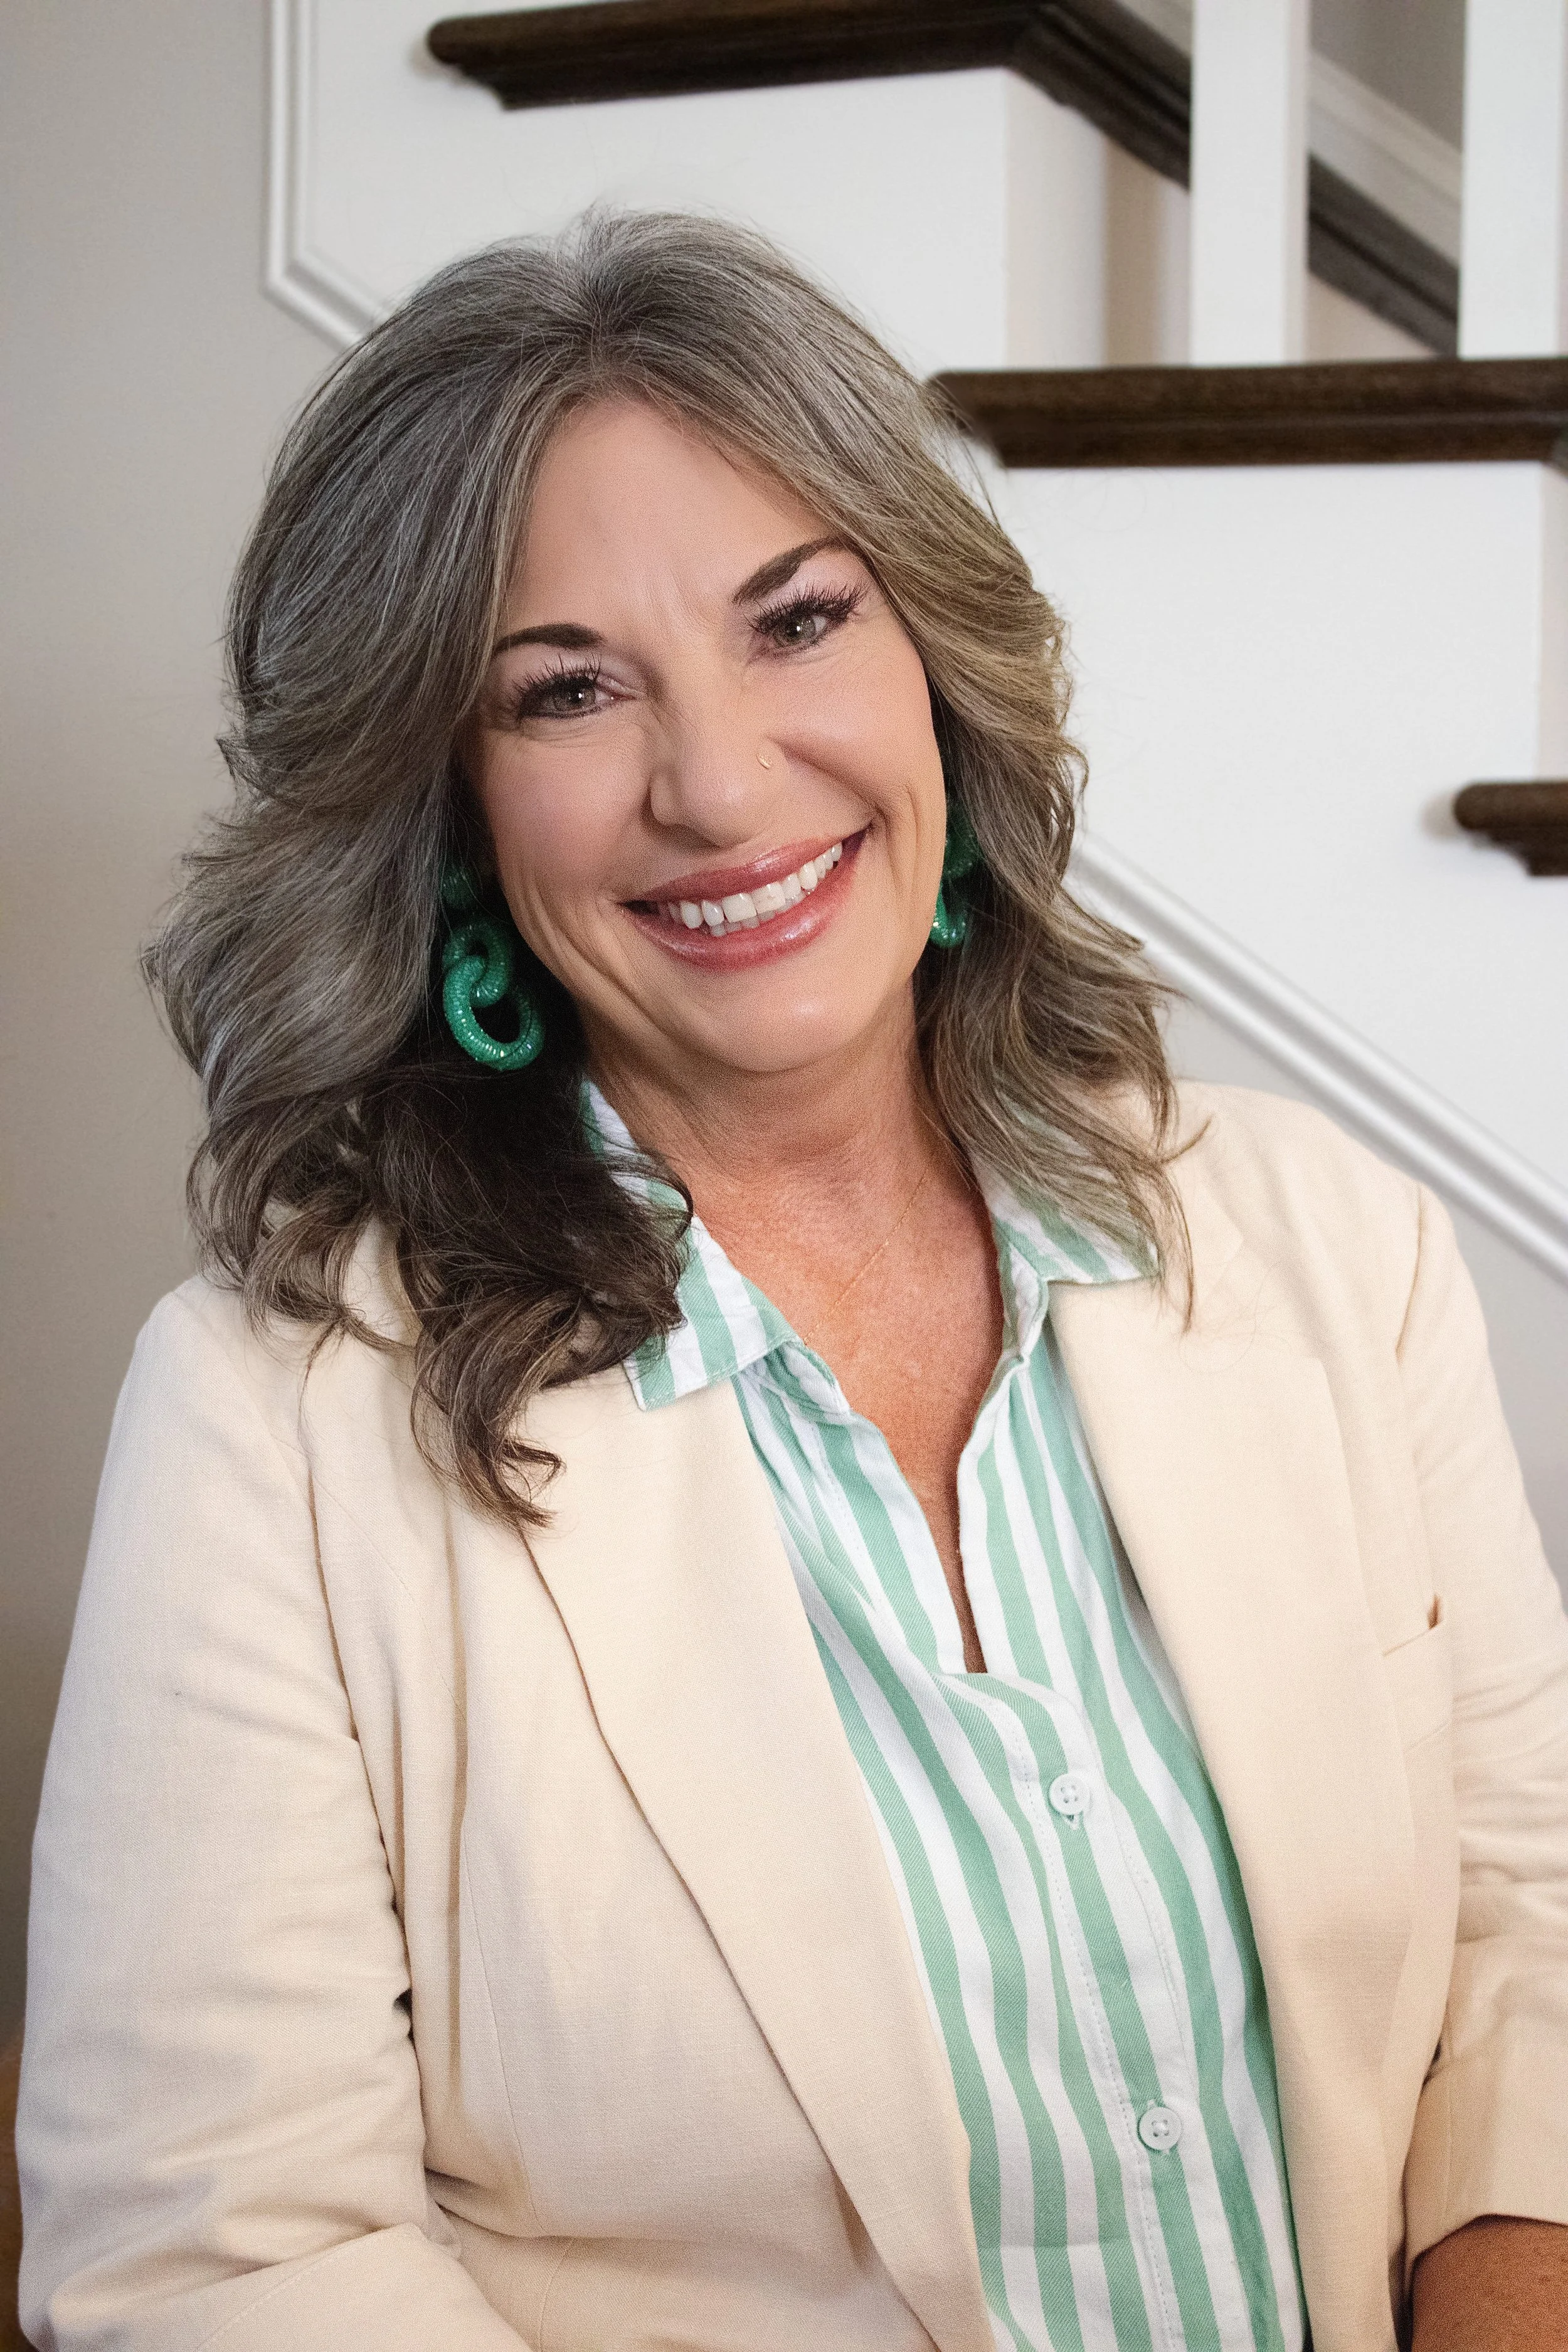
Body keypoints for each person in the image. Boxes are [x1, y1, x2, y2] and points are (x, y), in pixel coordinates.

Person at [17, 212, 1568, 2352]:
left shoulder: (1334, 1245)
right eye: (566, 689)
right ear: (448, 806)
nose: (721, 786)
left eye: (798, 620)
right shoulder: (266, 1419)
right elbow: (217, 2257)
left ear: (933, 655)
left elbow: (1522, 1938)